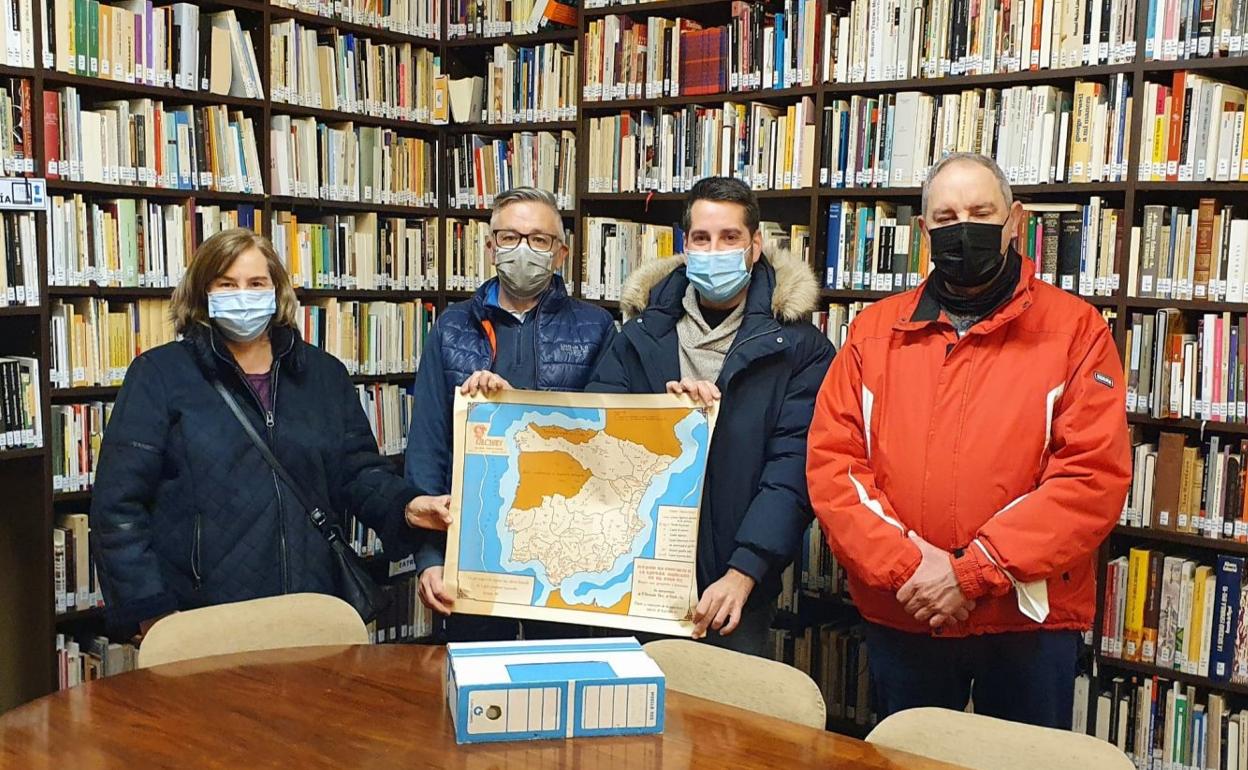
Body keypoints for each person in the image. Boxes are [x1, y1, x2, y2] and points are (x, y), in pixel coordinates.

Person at [807, 153, 1131, 728]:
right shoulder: (872, 333)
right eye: (946, 216)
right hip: (908, 610)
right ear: (923, 230)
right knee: (910, 759)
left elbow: (1091, 477)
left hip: (1027, 620)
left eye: (981, 213)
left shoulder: (1076, 331)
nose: (963, 228)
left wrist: (973, 572)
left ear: (1015, 221)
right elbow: (835, 467)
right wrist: (910, 569)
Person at [91, 228, 444, 639]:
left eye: (256, 283)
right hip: (203, 616)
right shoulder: (159, 375)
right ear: (203, 292)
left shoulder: (323, 375)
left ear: (277, 291)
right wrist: (151, 611)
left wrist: (408, 506)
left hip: (312, 607)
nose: (243, 295)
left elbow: (359, 472)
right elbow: (118, 505)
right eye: (227, 284)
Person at [586, 176, 834, 656]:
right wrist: (663, 419)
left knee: (725, 704)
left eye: (730, 237)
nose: (714, 250)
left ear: (755, 245)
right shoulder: (638, 335)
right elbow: (599, 442)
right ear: (686, 246)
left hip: (734, 587)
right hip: (636, 575)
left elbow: (792, 472)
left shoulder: (800, 349)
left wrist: (745, 572)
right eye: (702, 238)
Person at [405, 187, 616, 641]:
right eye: (509, 237)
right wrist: (429, 558)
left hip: (564, 553)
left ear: (560, 254)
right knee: (476, 677)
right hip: (474, 550)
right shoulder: (451, 328)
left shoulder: (596, 327)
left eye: (539, 240)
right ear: (490, 247)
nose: (523, 250)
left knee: (561, 677)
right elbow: (427, 446)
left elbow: (606, 442)